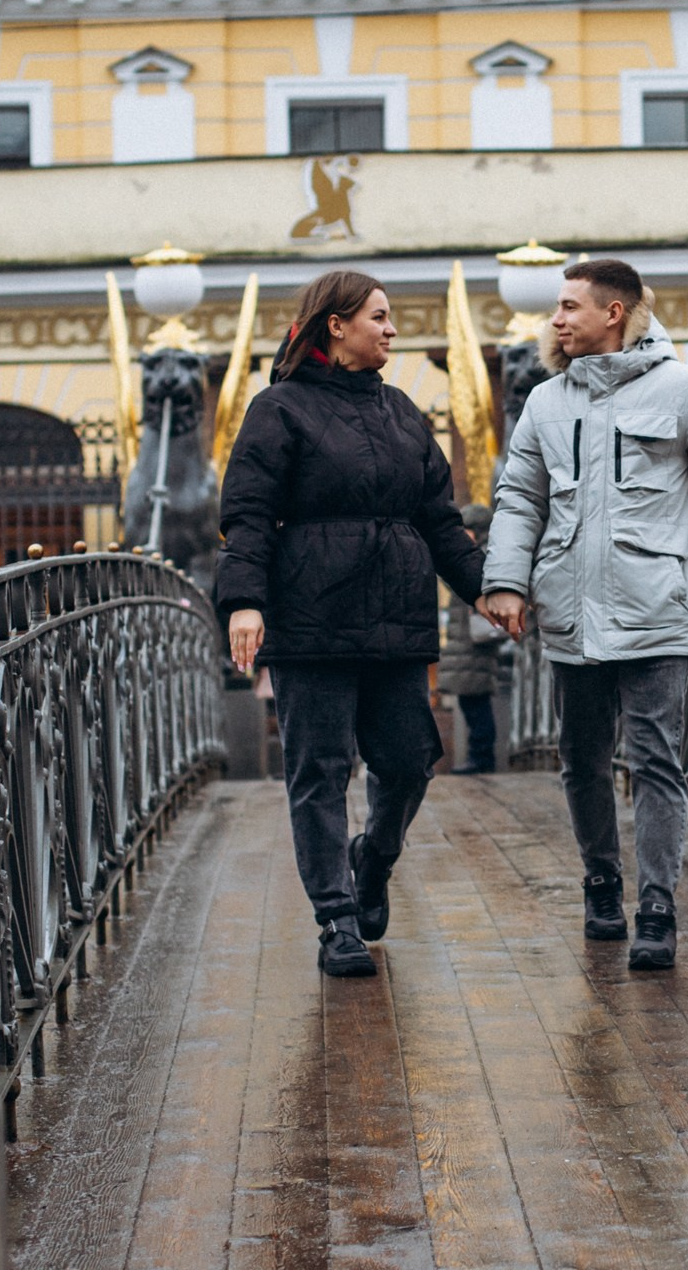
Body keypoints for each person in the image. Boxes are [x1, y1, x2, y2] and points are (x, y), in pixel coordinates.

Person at [480, 258, 688, 970]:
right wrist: (506, 582)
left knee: (655, 763)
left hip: (655, 613)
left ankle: (657, 908)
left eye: (567, 307)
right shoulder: (546, 402)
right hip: (569, 617)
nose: (554, 320)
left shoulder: (683, 392)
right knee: (582, 762)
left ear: (612, 313)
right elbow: (519, 498)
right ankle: (600, 882)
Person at [216, 270, 485, 978]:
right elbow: (246, 514)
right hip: (312, 617)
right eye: (381, 316)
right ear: (337, 325)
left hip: (396, 617)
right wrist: (245, 600)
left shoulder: (402, 412)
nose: (392, 329)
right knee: (320, 773)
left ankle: (375, 860)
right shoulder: (278, 409)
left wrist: (488, 590)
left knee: (407, 762)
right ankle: (336, 919)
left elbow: (439, 520)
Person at [439, 503, 504, 773]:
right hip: (465, 644)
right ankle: (479, 757)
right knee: (471, 701)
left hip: (473, 645)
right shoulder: (477, 555)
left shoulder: (483, 556)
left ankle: (481, 758)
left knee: (476, 702)